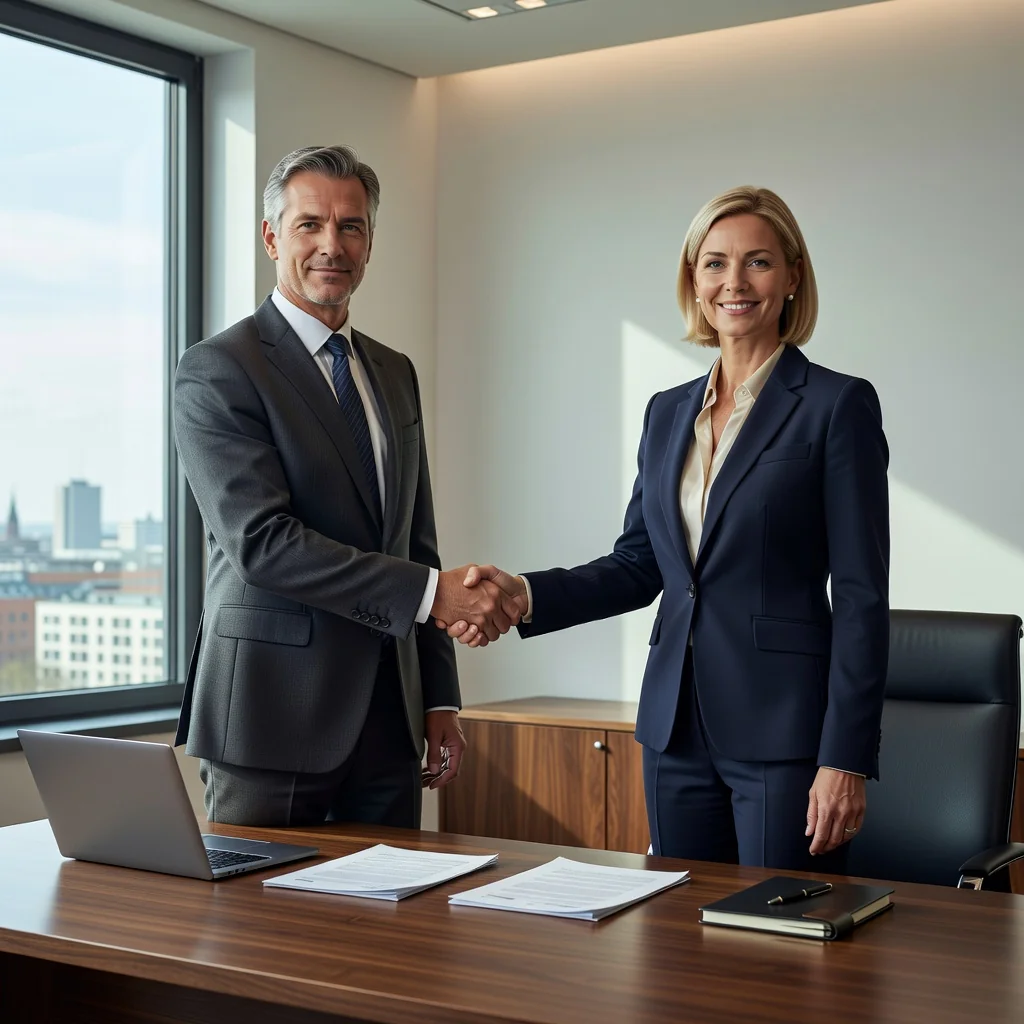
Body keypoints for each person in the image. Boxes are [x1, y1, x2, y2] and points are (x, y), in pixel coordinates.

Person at [440, 186, 889, 873]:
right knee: (680, 947)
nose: (733, 283)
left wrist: (845, 758)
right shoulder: (668, 413)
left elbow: (861, 597)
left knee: (782, 954)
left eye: (758, 263)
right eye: (714, 264)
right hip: (673, 730)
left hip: (784, 733)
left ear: (793, 276)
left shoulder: (836, 406)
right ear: (694, 280)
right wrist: (523, 594)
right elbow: (640, 564)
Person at [173, 145, 520, 828]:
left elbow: (415, 540)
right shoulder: (218, 370)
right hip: (270, 718)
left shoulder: (394, 372)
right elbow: (264, 545)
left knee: (393, 928)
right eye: (310, 225)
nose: (332, 245)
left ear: (369, 242)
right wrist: (433, 595)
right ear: (273, 236)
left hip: (390, 721)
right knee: (259, 931)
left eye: (351, 226)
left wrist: (439, 699)